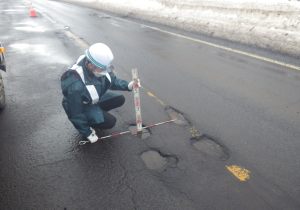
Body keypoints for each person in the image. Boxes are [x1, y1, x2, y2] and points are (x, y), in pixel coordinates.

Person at [61, 43, 138, 143]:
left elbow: (111, 80)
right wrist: (87, 132)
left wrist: (128, 85)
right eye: (101, 69)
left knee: (120, 99)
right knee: (111, 122)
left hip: (92, 98)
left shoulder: (99, 67)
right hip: (81, 105)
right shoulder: (75, 85)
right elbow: (75, 113)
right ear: (90, 65)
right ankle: (91, 122)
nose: (104, 71)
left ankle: (98, 114)